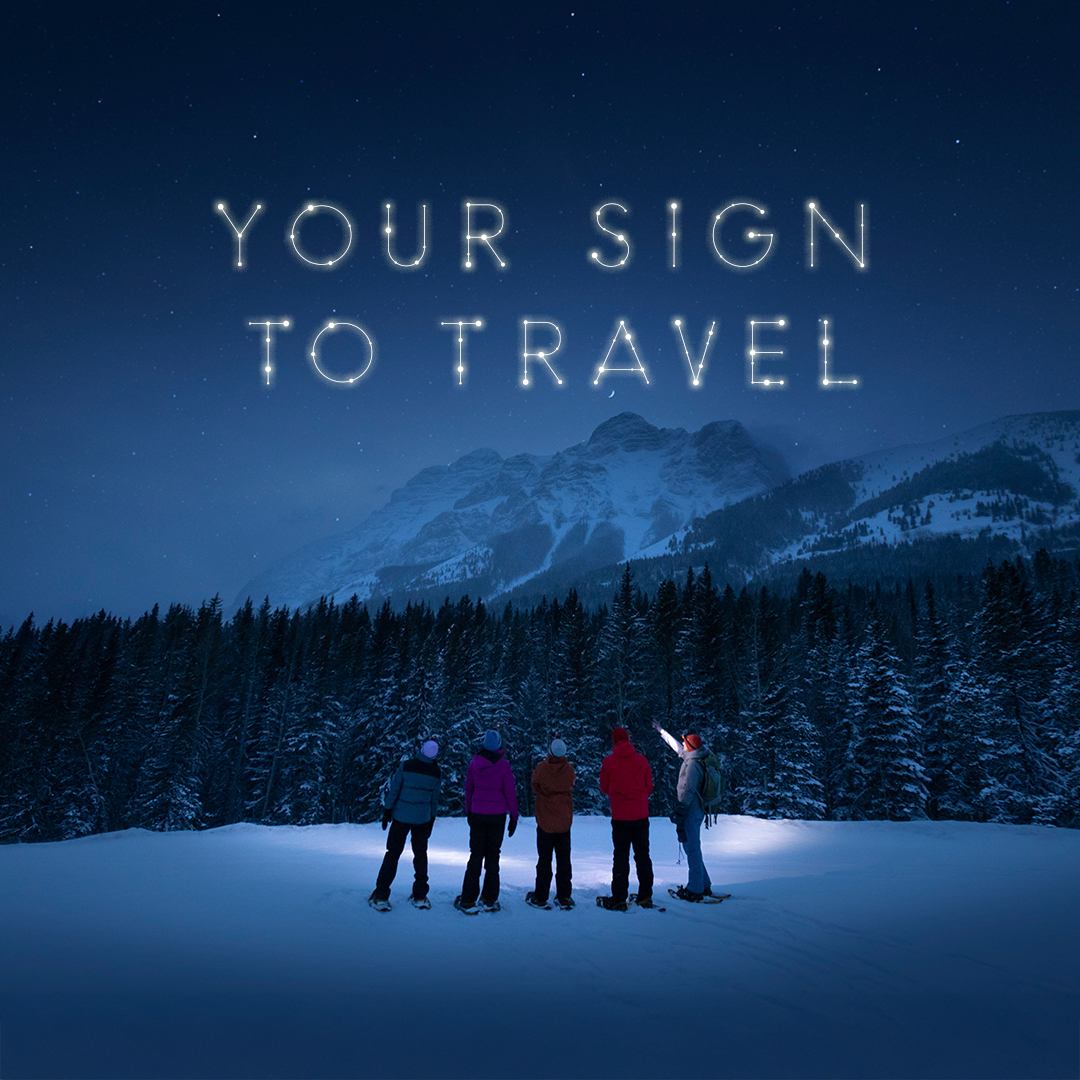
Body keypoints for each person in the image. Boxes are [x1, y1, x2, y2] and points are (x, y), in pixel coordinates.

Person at [369, 738, 441, 912]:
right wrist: (431, 818)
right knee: (421, 855)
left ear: (421, 750)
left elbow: (395, 788)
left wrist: (388, 810)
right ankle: (420, 896)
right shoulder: (435, 772)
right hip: (422, 819)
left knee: (392, 854)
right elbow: (434, 799)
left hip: (401, 816)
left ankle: (381, 895)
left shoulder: (407, 766)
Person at [455, 730, 519, 914]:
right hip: (497, 816)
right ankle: (489, 899)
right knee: (493, 856)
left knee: (475, 855)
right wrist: (514, 816)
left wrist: (469, 810)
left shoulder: (475, 763)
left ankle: (468, 899)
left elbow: (469, 788)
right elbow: (510, 792)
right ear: (499, 745)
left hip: (478, 814)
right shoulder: (504, 765)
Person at [596, 727, 655, 911]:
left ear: (614, 741)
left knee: (621, 857)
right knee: (643, 856)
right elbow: (649, 786)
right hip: (640, 816)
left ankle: (619, 897)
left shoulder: (609, 762)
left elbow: (604, 786)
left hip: (620, 817)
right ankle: (645, 896)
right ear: (628, 740)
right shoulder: (641, 761)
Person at [654, 723, 714, 902]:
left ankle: (695, 889)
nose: (683, 746)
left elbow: (688, 790)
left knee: (692, 848)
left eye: (685, 743)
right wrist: (662, 731)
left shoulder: (693, 764)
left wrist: (680, 810)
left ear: (689, 744)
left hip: (691, 809)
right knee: (693, 846)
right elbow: (678, 748)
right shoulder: (697, 755)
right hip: (697, 808)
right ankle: (704, 884)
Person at [526, 737, 575, 910]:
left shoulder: (542, 769)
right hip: (563, 822)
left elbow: (535, 784)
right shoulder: (568, 770)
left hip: (545, 821)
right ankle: (564, 896)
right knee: (564, 860)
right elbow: (571, 783)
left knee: (544, 860)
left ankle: (540, 896)